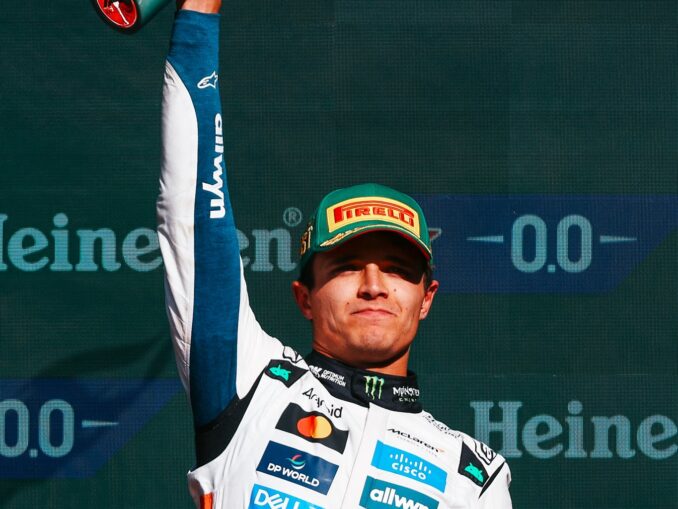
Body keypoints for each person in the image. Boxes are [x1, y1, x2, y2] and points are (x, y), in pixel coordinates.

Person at [157, 1, 512, 508]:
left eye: (398, 270)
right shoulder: (252, 382)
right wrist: (198, 16)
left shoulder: (474, 476)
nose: (373, 285)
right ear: (304, 296)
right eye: (347, 267)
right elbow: (193, 217)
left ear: (427, 297)